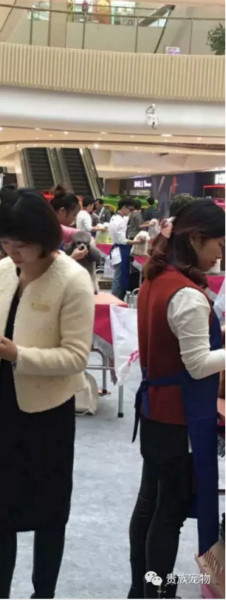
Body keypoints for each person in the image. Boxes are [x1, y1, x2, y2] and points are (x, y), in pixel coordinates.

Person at [0, 190, 94, 599]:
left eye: (20, 244)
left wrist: (18, 354)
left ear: (44, 238)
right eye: (4, 242)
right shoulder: (3, 271)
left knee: (49, 515)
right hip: (2, 406)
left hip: (48, 414)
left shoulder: (72, 280)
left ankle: (44, 593)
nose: (11, 252)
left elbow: (76, 357)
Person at [128, 200, 225, 599]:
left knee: (150, 504)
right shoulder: (186, 294)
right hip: (178, 415)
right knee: (168, 513)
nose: (220, 254)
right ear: (197, 239)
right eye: (219, 244)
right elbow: (198, 365)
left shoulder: (156, 278)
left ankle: (141, 589)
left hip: (156, 409)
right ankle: (158, 592)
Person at [108, 198, 138, 300]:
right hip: (121, 250)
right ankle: (116, 299)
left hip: (116, 249)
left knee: (118, 276)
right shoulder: (121, 221)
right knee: (120, 277)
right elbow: (123, 240)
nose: (130, 212)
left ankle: (115, 298)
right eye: (130, 209)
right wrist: (137, 242)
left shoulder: (113, 218)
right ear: (124, 207)